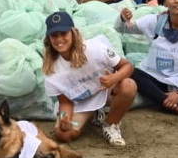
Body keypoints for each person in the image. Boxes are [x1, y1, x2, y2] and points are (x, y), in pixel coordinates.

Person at [42, 11, 137, 147]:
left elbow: (128, 66)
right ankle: (92, 114)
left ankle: (110, 124)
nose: (59, 39)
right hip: (80, 101)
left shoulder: (95, 48)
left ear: (73, 33)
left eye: (63, 34)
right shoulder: (51, 69)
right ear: (48, 39)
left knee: (129, 85)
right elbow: (65, 102)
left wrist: (114, 78)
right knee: (63, 134)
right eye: (54, 35)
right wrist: (64, 118)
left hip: (105, 90)